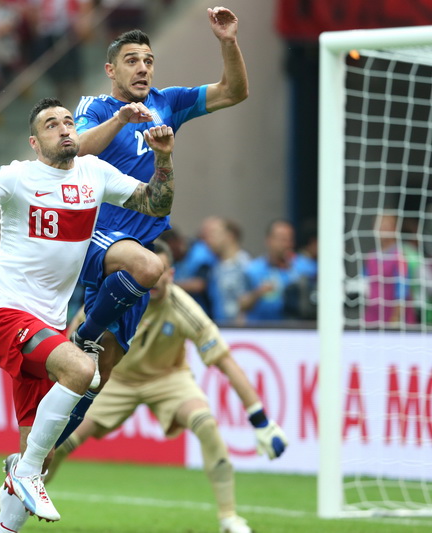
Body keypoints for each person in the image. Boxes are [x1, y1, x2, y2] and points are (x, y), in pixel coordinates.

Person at [0, 97, 177, 530]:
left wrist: (163, 159)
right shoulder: (17, 176)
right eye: (51, 124)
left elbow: (155, 203)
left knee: (42, 451)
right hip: (6, 314)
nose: (64, 128)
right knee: (82, 369)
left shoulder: (95, 173)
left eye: (68, 122)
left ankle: (6, 521)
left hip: (48, 324)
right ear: (34, 141)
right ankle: (24, 471)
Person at [0, 239, 288, 533]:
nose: (154, 279)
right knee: (59, 443)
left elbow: (226, 362)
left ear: (170, 274)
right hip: (115, 380)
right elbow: (70, 349)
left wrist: (260, 420)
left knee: (205, 423)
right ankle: (11, 505)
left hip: (168, 379)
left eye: (161, 272)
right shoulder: (113, 298)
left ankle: (229, 518)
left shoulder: (184, 308)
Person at [62, 8, 249, 446]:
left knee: (97, 374)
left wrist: (227, 41)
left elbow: (234, 92)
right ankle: (84, 333)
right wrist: (120, 119)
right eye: (132, 60)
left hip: (134, 251)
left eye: (148, 60)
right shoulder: (96, 107)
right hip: (95, 237)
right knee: (150, 267)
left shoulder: (168, 103)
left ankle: (40, 456)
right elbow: (77, 148)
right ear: (111, 70)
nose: (143, 67)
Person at [238, 219, 299, 322]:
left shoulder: (301, 269)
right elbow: (241, 305)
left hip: (293, 329)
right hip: (261, 329)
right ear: (269, 240)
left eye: (289, 240)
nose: (287, 244)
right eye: (282, 239)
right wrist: (258, 293)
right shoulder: (252, 270)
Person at [205, 217, 250, 324]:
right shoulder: (214, 267)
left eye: (215, 233)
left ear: (230, 236)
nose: (210, 239)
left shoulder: (245, 265)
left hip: (237, 329)